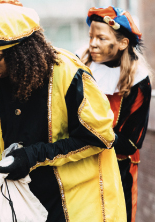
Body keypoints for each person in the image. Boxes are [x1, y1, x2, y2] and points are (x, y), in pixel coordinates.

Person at [0, 3, 126, 221]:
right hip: (20, 202)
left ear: (23, 51)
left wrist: (32, 156)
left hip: (78, 201)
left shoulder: (69, 73)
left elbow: (100, 137)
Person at [79, 6, 152, 222]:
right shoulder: (79, 67)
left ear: (122, 43)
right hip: (79, 164)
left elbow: (131, 142)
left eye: (101, 38)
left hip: (119, 169)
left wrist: (90, 134)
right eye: (91, 36)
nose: (93, 43)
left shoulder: (138, 80)